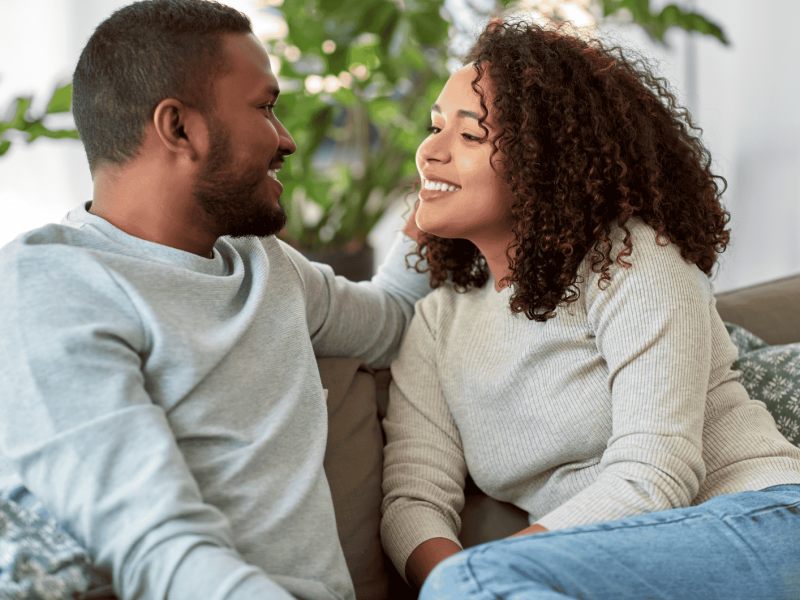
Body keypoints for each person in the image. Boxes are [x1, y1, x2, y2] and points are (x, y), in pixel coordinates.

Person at [0, 1, 431, 599]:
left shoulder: (265, 265)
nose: (287, 140)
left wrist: (437, 200)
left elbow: (394, 321)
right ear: (178, 127)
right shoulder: (53, 284)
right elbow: (157, 549)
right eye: (265, 107)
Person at [381, 18, 800, 600]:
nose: (429, 151)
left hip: (763, 521)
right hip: (619, 564)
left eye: (471, 136)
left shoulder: (630, 259)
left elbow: (656, 475)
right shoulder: (436, 323)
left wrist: (483, 576)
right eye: (434, 127)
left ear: (544, 162)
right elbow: (414, 500)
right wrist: (459, 585)